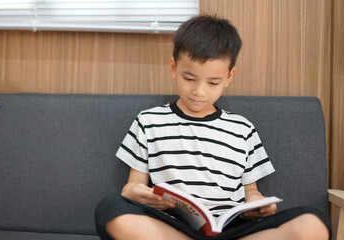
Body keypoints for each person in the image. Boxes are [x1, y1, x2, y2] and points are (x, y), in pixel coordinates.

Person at [95, 15, 331, 240]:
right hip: (171, 226)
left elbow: (251, 192)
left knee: (314, 223)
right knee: (109, 209)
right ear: (173, 67)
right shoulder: (148, 121)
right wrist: (136, 194)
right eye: (189, 78)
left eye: (213, 82)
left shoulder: (242, 128)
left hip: (231, 229)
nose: (199, 91)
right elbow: (131, 186)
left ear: (229, 77)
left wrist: (257, 205)